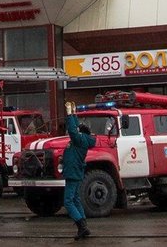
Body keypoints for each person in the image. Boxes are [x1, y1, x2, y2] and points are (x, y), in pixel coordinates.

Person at [63, 101, 97, 240]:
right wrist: (74, 113)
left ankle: (81, 226)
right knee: (76, 199)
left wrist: (70, 115)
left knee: (68, 201)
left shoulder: (80, 140)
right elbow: (75, 128)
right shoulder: (83, 140)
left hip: (72, 173)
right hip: (75, 172)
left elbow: (72, 130)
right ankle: (83, 226)